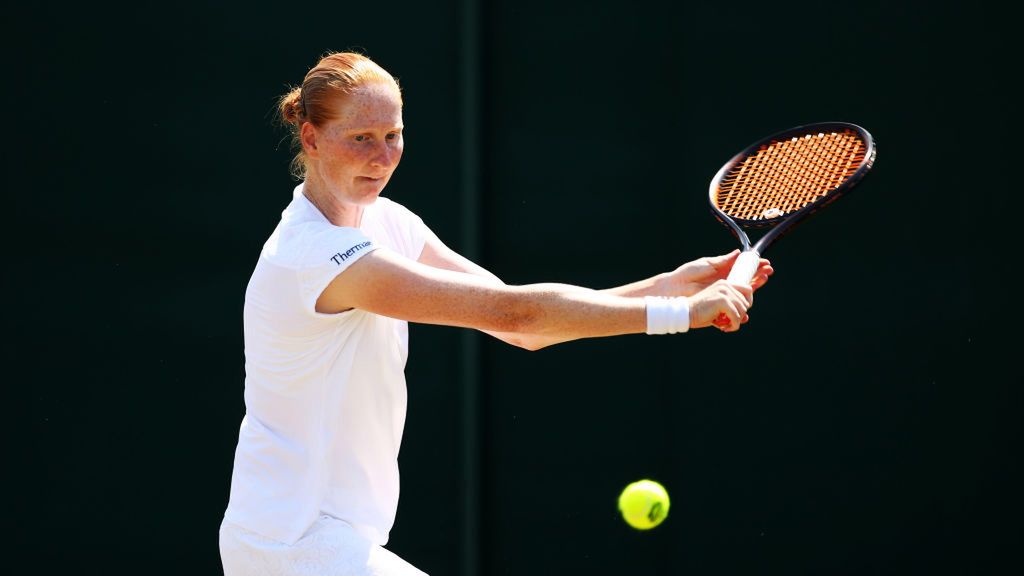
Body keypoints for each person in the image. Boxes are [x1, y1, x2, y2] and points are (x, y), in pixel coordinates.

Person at [219, 51, 773, 576]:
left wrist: (668, 286)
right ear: (311, 138)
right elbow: (517, 315)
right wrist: (679, 312)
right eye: (361, 138)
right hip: (289, 542)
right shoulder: (311, 256)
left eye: (393, 136)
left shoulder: (389, 222)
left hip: (334, 538)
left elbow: (518, 328)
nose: (383, 156)